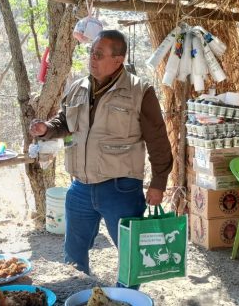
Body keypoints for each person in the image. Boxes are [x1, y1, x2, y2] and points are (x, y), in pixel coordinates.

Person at [30, 30, 173, 286]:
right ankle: (77, 296)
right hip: (79, 187)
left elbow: (158, 140)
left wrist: (159, 181)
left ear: (118, 60)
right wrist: (47, 129)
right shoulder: (78, 87)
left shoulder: (140, 91)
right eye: (91, 52)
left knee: (131, 256)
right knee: (73, 255)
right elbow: (65, 121)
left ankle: (124, 301)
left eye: (98, 54)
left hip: (120, 188)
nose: (92, 59)